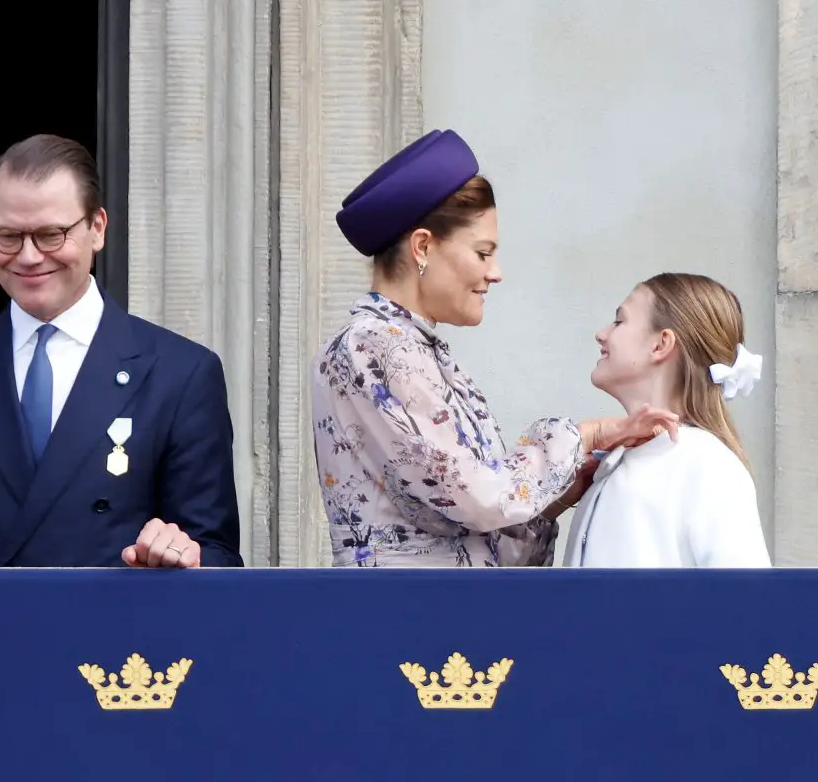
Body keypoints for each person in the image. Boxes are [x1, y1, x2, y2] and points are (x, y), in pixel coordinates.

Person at [311, 128, 679, 568]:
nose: (496, 272)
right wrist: (585, 436)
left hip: (435, 620)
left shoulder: (415, 348)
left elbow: (468, 530)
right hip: (403, 622)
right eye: (483, 253)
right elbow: (476, 496)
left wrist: (556, 492)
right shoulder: (372, 346)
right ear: (423, 247)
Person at [0, 134, 243, 569]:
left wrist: (183, 556)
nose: (29, 256)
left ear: (98, 228)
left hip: (118, 633)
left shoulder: (181, 373)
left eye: (51, 234)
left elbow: (218, 555)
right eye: (9, 236)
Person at [559, 273, 771, 567]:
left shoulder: (708, 466)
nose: (602, 333)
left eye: (619, 321)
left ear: (660, 344)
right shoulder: (609, 464)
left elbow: (746, 603)